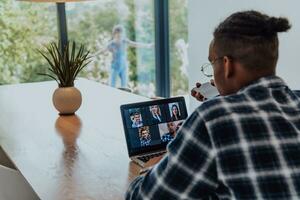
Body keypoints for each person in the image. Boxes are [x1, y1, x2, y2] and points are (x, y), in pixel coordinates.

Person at [126, 10, 300, 199]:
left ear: (227, 65)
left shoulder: (213, 118)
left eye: (212, 62)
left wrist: (154, 166)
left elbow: (144, 197)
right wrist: (224, 95)